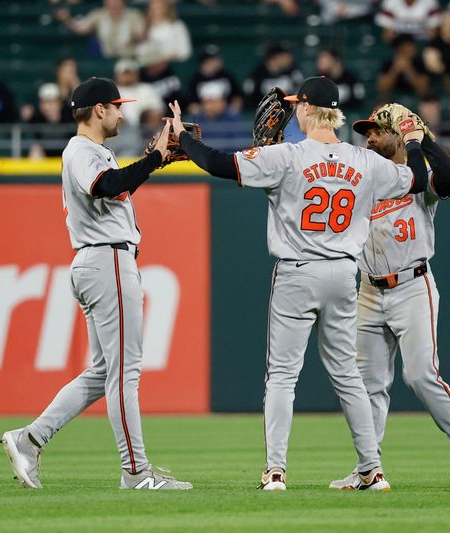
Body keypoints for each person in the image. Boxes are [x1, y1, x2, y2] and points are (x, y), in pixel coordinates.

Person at [168, 76, 432, 490]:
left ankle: (275, 472)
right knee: (347, 376)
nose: (293, 112)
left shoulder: (287, 157)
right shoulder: (365, 162)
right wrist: (414, 142)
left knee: (282, 376)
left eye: (297, 106)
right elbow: (416, 179)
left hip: (297, 270)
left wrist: (184, 138)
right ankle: (372, 470)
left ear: (307, 109)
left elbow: (220, 164)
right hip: (345, 273)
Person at [0, 76, 192, 490]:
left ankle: (29, 439)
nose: (123, 112)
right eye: (117, 106)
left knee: (104, 371)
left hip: (101, 261)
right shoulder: (81, 150)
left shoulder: (94, 151)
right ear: (99, 109)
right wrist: (155, 157)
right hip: (106, 260)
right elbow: (108, 186)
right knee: (125, 374)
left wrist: (155, 160)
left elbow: (118, 186)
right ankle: (136, 472)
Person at [329, 105, 450, 490]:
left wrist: (423, 140)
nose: (369, 137)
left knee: (421, 375)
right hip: (369, 289)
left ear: (398, 136)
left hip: (413, 285)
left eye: (378, 131)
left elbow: (449, 178)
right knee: (368, 385)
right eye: (367, 132)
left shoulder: (418, 177)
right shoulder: (363, 179)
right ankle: (369, 468)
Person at [55, 0, 145, 59]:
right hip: (106, 58)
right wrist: (67, 19)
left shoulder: (134, 15)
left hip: (129, 58)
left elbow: (141, 36)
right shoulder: (98, 15)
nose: (114, 3)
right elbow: (81, 28)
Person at [135, 0, 192, 68]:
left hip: (171, 66)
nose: (157, 10)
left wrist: (168, 58)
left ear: (167, 8)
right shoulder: (145, 26)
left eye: (160, 7)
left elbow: (185, 52)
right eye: (154, 7)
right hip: (149, 67)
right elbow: (140, 51)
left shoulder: (177, 26)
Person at [188, 45, 243, 114]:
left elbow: (237, 96)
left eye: (215, 60)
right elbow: (192, 104)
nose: (212, 63)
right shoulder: (196, 79)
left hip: (226, 113)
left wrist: (233, 107)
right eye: (209, 61)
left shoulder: (227, 76)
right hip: (204, 114)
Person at [27, 83, 76, 159]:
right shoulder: (35, 119)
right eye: (43, 102)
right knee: (35, 150)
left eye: (51, 102)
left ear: (59, 103)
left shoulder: (70, 118)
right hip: (45, 164)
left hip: (68, 159)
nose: (47, 106)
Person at [374, 0, 442, 43]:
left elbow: (433, 32)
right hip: (398, 42)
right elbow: (387, 34)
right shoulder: (390, 2)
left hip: (422, 42)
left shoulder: (430, 2)